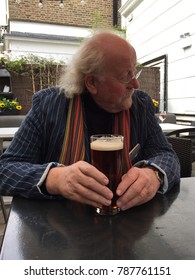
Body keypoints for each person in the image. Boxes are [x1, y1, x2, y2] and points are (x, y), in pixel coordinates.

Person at [0, 31, 180, 211]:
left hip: (126, 227)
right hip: (59, 231)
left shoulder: (141, 106)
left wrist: (153, 175)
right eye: (125, 76)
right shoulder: (48, 106)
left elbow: (167, 156)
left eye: (135, 73)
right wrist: (56, 179)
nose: (136, 84)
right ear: (92, 82)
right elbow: (6, 170)